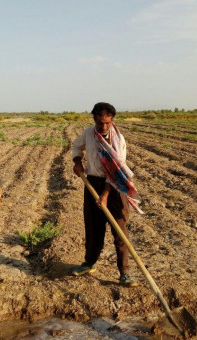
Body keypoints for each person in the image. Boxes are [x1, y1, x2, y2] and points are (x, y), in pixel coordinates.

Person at [71, 102, 143, 287]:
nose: (103, 127)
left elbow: (118, 172)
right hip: (92, 183)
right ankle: (89, 263)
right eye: (100, 123)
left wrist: (105, 194)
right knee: (93, 227)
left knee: (119, 229)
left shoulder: (119, 141)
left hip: (114, 186)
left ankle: (124, 273)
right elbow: (77, 147)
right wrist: (77, 162)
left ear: (112, 121)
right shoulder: (88, 133)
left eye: (107, 123)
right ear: (94, 119)